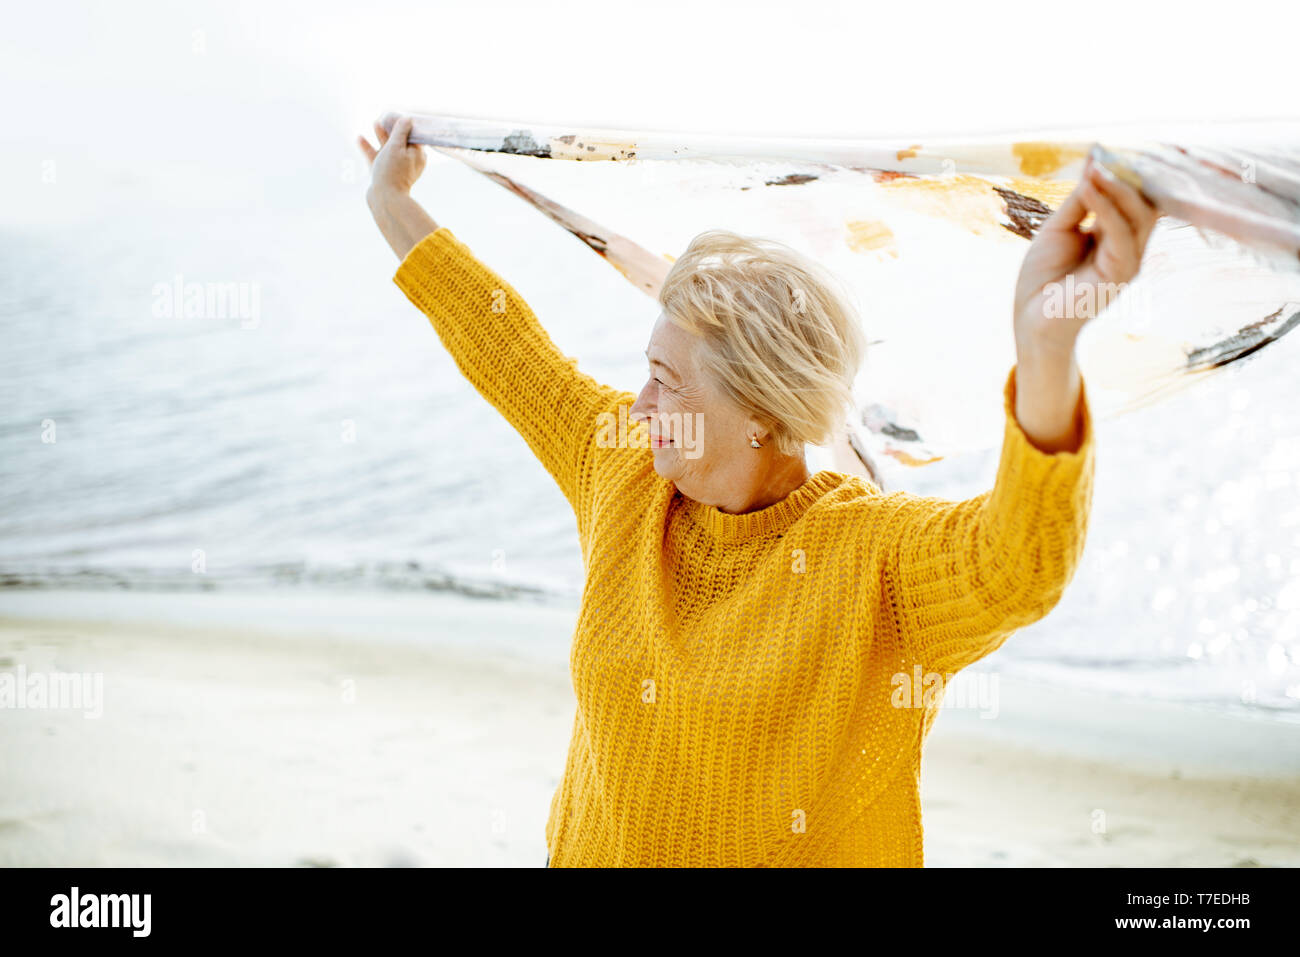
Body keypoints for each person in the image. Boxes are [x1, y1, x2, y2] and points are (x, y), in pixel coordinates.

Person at [358, 116, 1159, 867]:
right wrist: (393, 204)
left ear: (760, 413)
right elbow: (506, 348)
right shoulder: (626, 474)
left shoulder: (871, 563)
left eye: (666, 382)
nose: (639, 406)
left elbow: (1017, 563)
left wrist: (1047, 350)